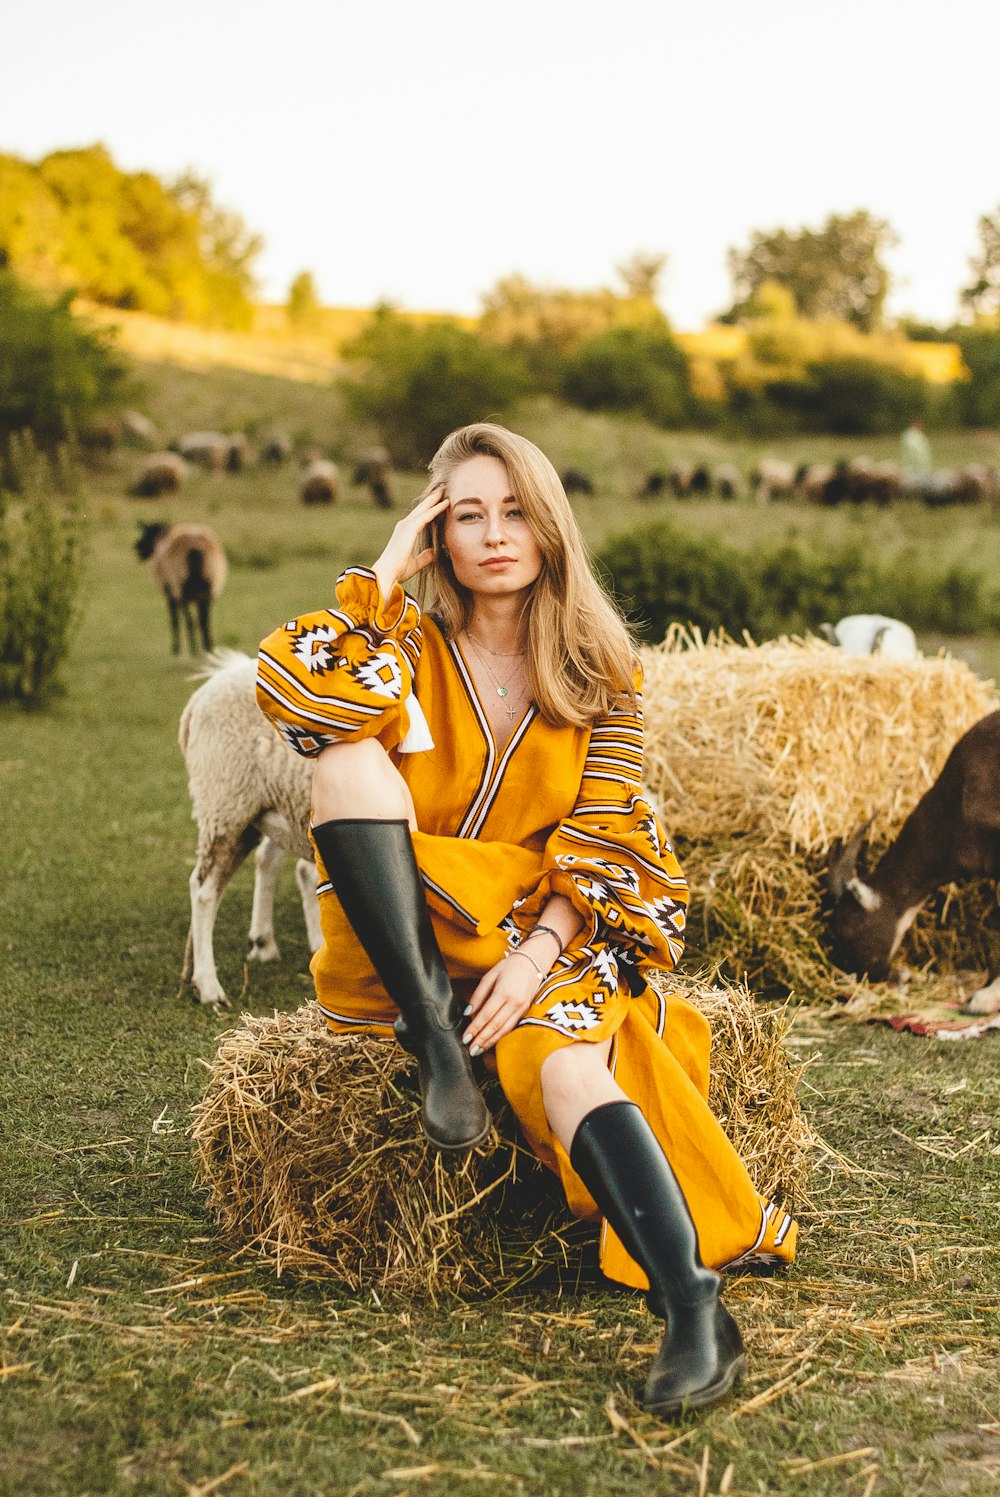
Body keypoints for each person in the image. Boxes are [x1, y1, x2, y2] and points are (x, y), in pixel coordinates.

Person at [256, 423, 797, 1416]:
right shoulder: (402, 651)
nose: (494, 535)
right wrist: (378, 576)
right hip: (401, 933)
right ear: (438, 534)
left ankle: (693, 1309)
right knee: (343, 758)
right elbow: (297, 703)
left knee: (565, 1062)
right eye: (467, 515)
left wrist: (539, 952)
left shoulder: (601, 675)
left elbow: (602, 833)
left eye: (514, 512)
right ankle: (433, 1040)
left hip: (537, 927)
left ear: (549, 527)